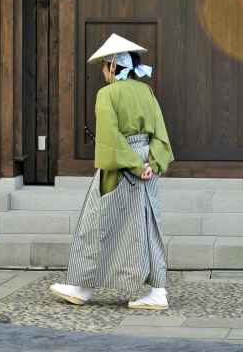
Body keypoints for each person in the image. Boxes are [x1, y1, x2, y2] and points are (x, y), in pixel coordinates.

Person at [50, 34, 174, 310]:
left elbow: (109, 136)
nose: (103, 73)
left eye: (104, 68)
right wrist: (151, 164)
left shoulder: (107, 94)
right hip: (147, 165)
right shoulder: (146, 92)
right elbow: (160, 133)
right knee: (146, 225)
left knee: (98, 221)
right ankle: (158, 290)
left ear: (112, 68)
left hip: (121, 166)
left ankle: (82, 286)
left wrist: (132, 164)